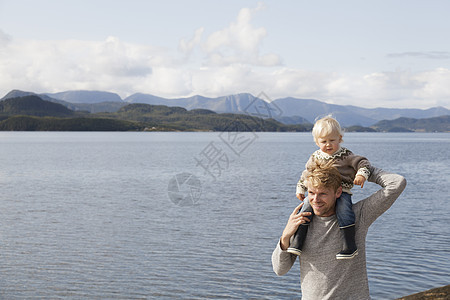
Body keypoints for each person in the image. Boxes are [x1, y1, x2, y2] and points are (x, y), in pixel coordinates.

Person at [272, 163, 406, 299]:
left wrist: (362, 169)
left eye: (323, 194)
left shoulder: (358, 216)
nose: (315, 200)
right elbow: (280, 270)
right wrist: (286, 236)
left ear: (338, 192)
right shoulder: (301, 222)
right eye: (311, 193)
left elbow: (397, 183)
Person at [289, 115, 371, 259]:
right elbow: (307, 174)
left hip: (342, 190)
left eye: (332, 140)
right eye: (324, 141)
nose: (328, 144)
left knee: (344, 210)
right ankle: (298, 241)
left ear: (339, 138)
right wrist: (301, 188)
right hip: (319, 191)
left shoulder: (345, 155)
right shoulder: (315, 157)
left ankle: (349, 245)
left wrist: (361, 175)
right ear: (317, 142)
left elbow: (363, 162)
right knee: (306, 207)